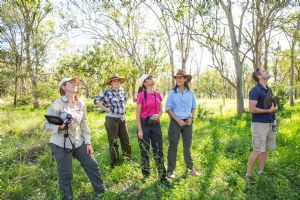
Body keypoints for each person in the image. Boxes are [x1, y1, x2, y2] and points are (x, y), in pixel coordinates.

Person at [44, 77, 106, 200]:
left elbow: (84, 125)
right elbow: (45, 125)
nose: (74, 84)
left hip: (77, 141)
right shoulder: (57, 104)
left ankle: (102, 193)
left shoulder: (81, 104)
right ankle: (67, 197)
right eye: (71, 83)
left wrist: (88, 143)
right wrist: (60, 127)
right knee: (66, 174)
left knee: (92, 164)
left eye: (75, 82)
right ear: (63, 87)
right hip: (60, 144)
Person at [136, 74, 171, 187]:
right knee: (144, 150)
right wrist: (140, 130)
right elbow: (137, 114)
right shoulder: (141, 95)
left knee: (158, 150)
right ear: (145, 83)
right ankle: (146, 174)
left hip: (155, 124)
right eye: (149, 79)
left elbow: (161, 109)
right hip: (144, 124)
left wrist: (158, 115)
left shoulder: (158, 94)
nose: (151, 79)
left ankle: (162, 176)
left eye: (151, 78)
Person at [245, 68, 278, 184]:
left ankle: (260, 172)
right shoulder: (255, 90)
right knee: (258, 150)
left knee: (265, 150)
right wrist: (268, 111)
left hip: (270, 123)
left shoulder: (269, 89)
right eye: (264, 71)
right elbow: (251, 109)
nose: (267, 71)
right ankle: (248, 175)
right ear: (259, 76)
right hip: (259, 125)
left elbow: (271, 105)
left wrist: (274, 109)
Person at [165, 69, 200, 179]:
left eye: (181, 78)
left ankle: (191, 168)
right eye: (177, 78)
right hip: (176, 122)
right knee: (173, 145)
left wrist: (191, 117)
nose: (178, 80)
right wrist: (177, 120)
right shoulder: (172, 93)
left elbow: (194, 106)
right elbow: (168, 109)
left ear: (185, 79)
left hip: (188, 122)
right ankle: (170, 171)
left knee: (187, 146)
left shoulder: (190, 92)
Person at [94, 73, 131, 168]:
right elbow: (96, 100)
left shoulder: (122, 91)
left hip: (122, 118)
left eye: (118, 80)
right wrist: (105, 108)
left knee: (125, 140)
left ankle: (128, 158)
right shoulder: (107, 92)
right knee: (113, 141)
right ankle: (115, 162)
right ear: (111, 82)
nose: (116, 82)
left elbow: (125, 100)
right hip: (111, 119)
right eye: (114, 81)